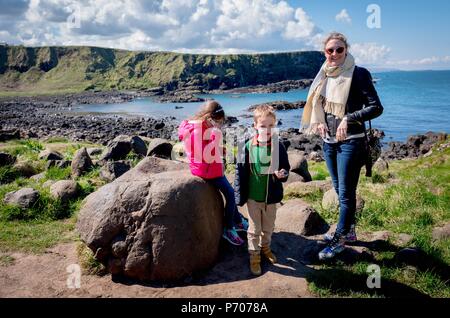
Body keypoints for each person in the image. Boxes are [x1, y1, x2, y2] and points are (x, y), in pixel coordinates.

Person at [301, 32, 384, 260]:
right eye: (330, 50)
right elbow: (321, 106)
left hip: (351, 142)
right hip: (328, 143)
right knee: (339, 191)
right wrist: (318, 123)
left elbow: (376, 107)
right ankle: (350, 231)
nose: (335, 54)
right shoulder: (324, 75)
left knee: (346, 195)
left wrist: (349, 118)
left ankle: (339, 241)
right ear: (325, 52)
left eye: (339, 49)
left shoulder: (358, 74)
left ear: (346, 50)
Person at [178, 100, 248, 246]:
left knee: (230, 192)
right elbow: (203, 154)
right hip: (206, 170)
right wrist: (216, 142)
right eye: (217, 122)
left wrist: (219, 148)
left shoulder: (200, 126)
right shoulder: (197, 131)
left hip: (209, 166)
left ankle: (238, 221)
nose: (219, 125)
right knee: (230, 194)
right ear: (208, 117)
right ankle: (228, 229)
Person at [234, 105, 290, 275]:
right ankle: (254, 255)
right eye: (263, 126)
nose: (267, 129)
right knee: (253, 229)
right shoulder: (246, 147)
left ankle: (265, 248)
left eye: (271, 126)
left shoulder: (278, 146)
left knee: (268, 227)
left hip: (271, 198)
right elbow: (239, 173)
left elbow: (285, 168)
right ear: (255, 126)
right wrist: (238, 196)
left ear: (275, 125)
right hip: (252, 198)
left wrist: (283, 174)